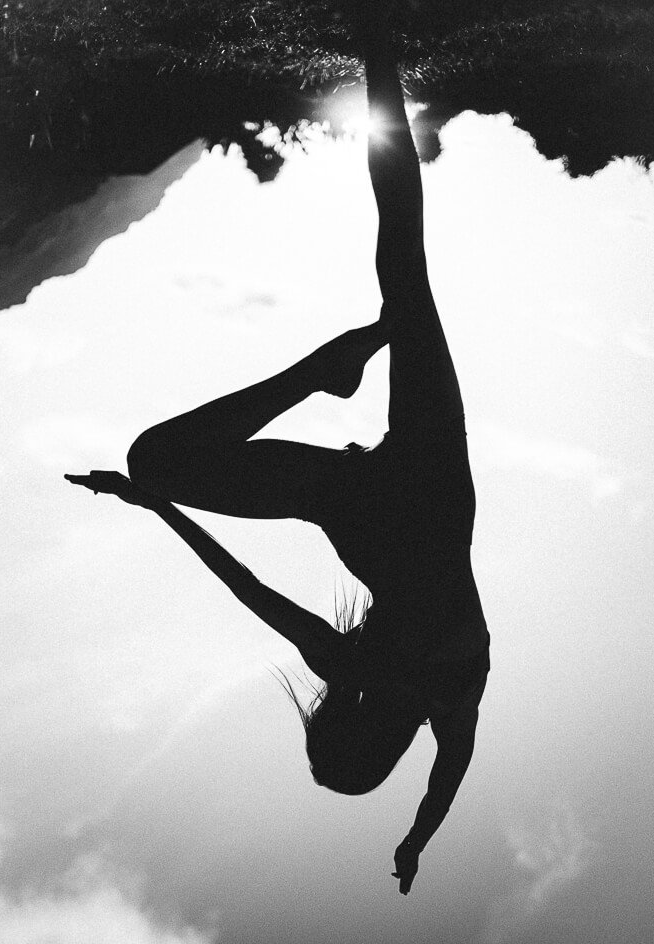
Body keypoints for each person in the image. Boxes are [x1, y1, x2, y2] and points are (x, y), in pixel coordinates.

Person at [66, 9, 490, 896]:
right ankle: (318, 370)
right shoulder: (374, 674)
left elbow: (446, 779)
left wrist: (417, 839)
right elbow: (246, 588)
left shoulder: (452, 700)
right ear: (348, 731)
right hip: (383, 497)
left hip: (399, 490)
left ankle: (378, 55)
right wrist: (157, 507)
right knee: (157, 464)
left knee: (403, 266)